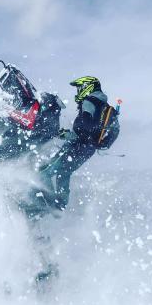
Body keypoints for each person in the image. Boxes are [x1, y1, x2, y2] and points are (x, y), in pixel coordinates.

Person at [37, 76, 120, 210]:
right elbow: (115, 130)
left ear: (88, 87)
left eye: (79, 88)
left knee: (43, 173)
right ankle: (59, 205)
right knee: (64, 172)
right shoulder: (107, 108)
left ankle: (42, 205)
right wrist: (101, 143)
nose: (78, 91)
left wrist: (68, 135)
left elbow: (85, 127)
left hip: (77, 146)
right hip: (89, 150)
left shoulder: (88, 101)